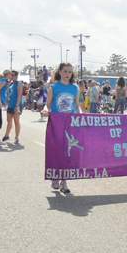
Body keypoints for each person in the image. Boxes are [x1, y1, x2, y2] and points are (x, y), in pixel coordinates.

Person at [42, 63, 85, 193]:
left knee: (68, 151)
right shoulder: (53, 88)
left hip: (70, 123)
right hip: (56, 123)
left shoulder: (75, 88)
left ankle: (64, 181)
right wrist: (44, 110)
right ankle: (55, 177)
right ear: (60, 72)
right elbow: (47, 105)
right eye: (65, 71)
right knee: (56, 150)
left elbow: (77, 106)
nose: (68, 74)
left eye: (70, 72)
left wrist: (80, 116)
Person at [4, 71, 22, 144]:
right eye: (11, 75)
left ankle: (16, 137)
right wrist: (6, 101)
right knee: (9, 120)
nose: (12, 76)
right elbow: (8, 93)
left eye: (13, 75)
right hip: (10, 104)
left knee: (16, 121)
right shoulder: (11, 84)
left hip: (16, 105)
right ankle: (6, 135)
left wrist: (17, 105)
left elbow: (19, 95)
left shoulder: (18, 84)